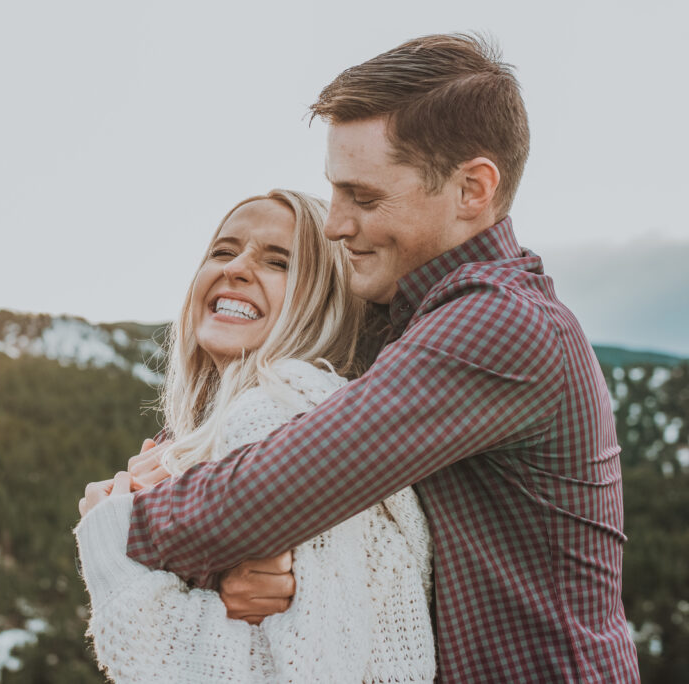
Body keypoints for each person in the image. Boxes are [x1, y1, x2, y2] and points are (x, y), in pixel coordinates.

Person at [119, 35, 640, 682]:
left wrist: (119, 521)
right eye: (335, 192)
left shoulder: (501, 325)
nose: (336, 224)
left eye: (364, 198)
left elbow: (274, 487)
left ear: (472, 188)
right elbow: (260, 457)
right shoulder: (394, 316)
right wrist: (241, 557)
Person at [75, 189, 436, 682]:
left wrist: (110, 546)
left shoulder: (279, 414)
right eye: (223, 251)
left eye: (278, 262)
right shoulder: (243, 424)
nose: (236, 268)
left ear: (323, 301)